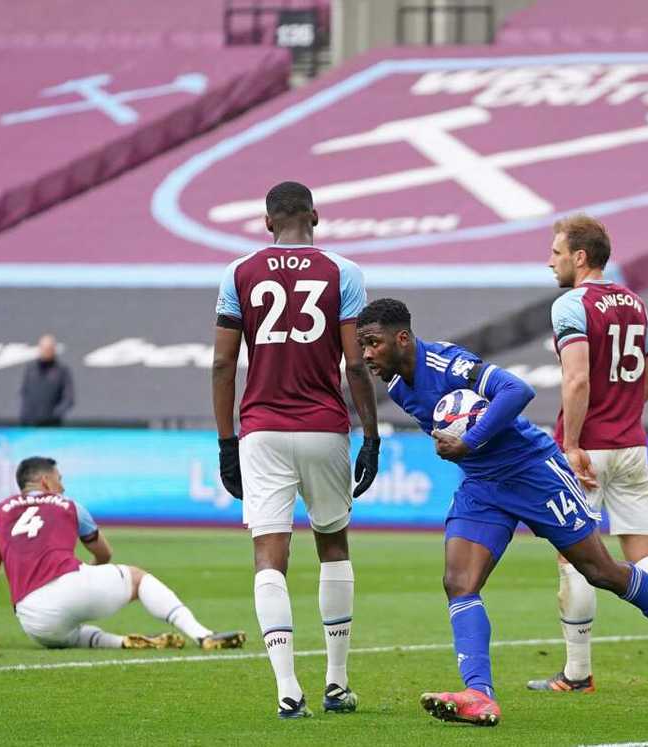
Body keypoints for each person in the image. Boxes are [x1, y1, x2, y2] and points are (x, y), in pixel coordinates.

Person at [356, 298, 648, 727]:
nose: (365, 355)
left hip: (533, 473)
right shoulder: (398, 387)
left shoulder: (448, 362)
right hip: (484, 486)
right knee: (459, 582)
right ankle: (479, 693)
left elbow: (516, 391)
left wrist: (470, 440)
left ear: (401, 338)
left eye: (373, 343)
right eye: (362, 345)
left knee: (600, 571)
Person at [212, 181, 380, 719]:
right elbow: (355, 363)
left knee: (270, 556)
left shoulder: (238, 273)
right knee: (332, 544)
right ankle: (336, 683)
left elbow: (222, 364)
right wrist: (372, 435)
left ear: (267, 223)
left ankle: (287, 690)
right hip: (324, 426)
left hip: (260, 427)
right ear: (316, 216)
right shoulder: (343, 272)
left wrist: (225, 441)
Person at [526, 214, 648, 693]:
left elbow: (576, 379)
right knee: (645, 554)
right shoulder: (635, 303)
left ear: (579, 257)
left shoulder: (571, 305)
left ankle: (577, 673)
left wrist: (573, 444)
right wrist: (622, 417)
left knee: (572, 556)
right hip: (631, 445)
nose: (550, 261)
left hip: (587, 453)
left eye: (556, 253)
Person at [0, 457, 244, 652]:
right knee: (138, 579)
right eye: (60, 480)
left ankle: (120, 642)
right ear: (45, 481)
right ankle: (202, 635)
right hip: (71, 586)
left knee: (68, 635)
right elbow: (104, 553)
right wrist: (84, 576)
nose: (63, 487)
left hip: (33, 618)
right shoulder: (69, 505)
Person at [19, 333, 74, 426]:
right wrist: (26, 414)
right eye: (43, 348)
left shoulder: (61, 371)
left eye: (48, 349)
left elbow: (69, 398)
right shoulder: (31, 369)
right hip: (29, 423)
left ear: (53, 350)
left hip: (52, 426)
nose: (45, 352)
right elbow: (23, 392)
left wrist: (54, 415)